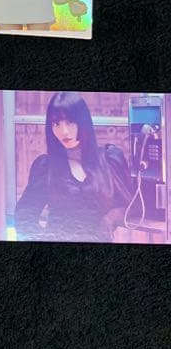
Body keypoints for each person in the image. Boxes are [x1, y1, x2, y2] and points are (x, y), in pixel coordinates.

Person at [15, 92, 133, 242]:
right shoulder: (46, 168)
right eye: (56, 124)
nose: (63, 131)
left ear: (83, 122)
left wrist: (110, 219)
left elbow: (132, 207)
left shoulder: (109, 159)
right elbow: (23, 219)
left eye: (70, 122)